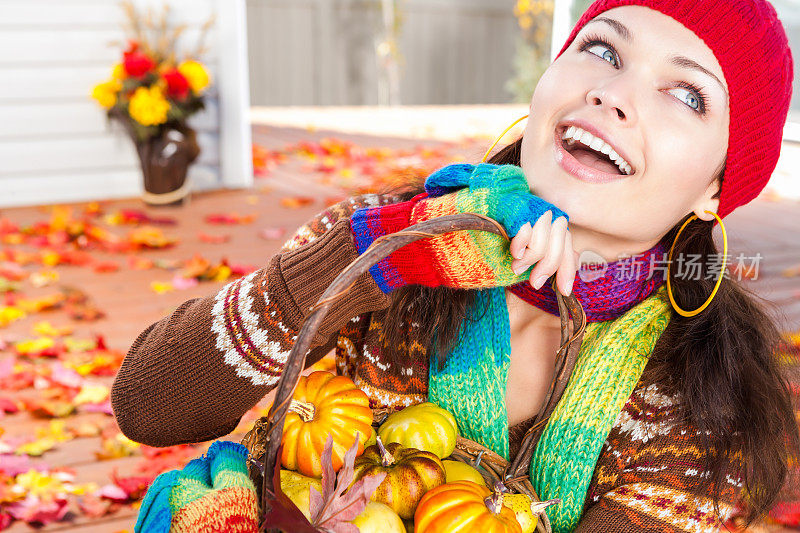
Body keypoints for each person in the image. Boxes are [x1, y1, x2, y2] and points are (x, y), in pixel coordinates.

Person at [111, 0, 799, 530]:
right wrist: (374, 255)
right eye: (601, 48)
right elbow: (147, 402)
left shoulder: (711, 402)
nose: (612, 94)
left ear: (717, 186)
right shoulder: (392, 235)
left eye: (687, 94)